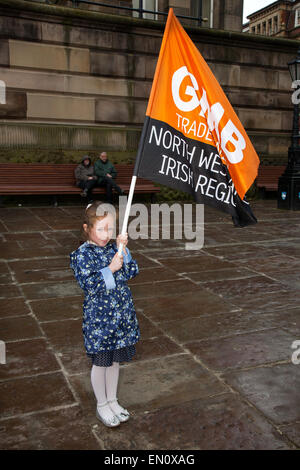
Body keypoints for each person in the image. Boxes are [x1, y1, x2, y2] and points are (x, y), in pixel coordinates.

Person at [69, 201, 140, 428]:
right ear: (87, 228)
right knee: (101, 363)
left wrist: (124, 251)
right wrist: (110, 269)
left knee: (115, 362)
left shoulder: (113, 248)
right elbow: (89, 284)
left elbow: (132, 272)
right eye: (100, 229)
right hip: (100, 320)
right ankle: (101, 404)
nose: (105, 234)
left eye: (110, 229)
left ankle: (113, 400)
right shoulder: (81, 255)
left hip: (121, 315)